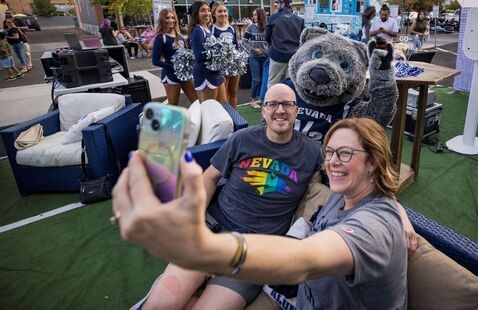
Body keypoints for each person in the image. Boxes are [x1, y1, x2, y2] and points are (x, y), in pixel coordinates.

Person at [112, 117, 408, 309]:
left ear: (373, 162)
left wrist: (200, 247)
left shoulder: (373, 228)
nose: (332, 162)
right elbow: (210, 177)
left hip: (251, 255)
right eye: (329, 152)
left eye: (344, 154)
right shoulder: (340, 196)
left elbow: (304, 261)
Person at [129, 83, 324, 309]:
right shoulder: (242, 139)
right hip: (211, 233)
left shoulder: (312, 152)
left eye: (287, 105)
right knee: (159, 306)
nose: (280, 110)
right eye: (272, 104)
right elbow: (209, 177)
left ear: (296, 110)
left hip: (253, 253)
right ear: (263, 110)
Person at [152, 8, 198, 106]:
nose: (171, 20)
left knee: (196, 101)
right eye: (167, 18)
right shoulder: (161, 38)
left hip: (185, 74)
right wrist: (174, 67)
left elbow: (185, 53)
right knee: (173, 105)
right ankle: (165, 120)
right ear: (162, 20)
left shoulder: (179, 35)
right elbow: (155, 61)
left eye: (173, 17)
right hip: (170, 76)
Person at [188, 0, 227, 103]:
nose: (207, 13)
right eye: (203, 11)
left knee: (223, 105)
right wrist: (219, 53)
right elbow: (199, 56)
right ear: (196, 13)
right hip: (205, 74)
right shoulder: (197, 30)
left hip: (214, 72)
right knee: (210, 110)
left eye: (208, 10)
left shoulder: (206, 28)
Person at [265, 0, 304, 88]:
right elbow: (303, 38)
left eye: (277, 3)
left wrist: (273, 46)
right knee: (291, 83)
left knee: (273, 82)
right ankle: (291, 101)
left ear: (282, 4)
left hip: (277, 55)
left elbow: (267, 36)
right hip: (293, 55)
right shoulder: (299, 20)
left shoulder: (273, 18)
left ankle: (272, 101)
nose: (276, 5)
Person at [211, 1, 240, 108]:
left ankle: (235, 119)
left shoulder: (231, 28)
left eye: (224, 11)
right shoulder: (211, 30)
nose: (223, 14)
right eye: (219, 11)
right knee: (223, 97)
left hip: (233, 66)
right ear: (214, 14)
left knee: (233, 92)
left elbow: (236, 46)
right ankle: (226, 117)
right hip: (220, 68)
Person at [242, 8, 268, 109]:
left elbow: (271, 43)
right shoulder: (251, 27)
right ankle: (253, 99)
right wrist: (253, 50)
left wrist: (266, 52)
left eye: (256, 15)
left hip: (266, 57)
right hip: (254, 57)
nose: (253, 17)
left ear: (261, 16)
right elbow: (244, 42)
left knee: (264, 80)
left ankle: (261, 99)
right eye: (253, 15)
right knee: (256, 79)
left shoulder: (267, 27)